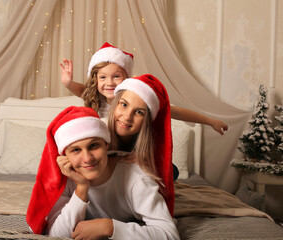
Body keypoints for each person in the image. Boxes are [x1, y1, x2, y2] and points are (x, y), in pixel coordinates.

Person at [26, 106, 180, 240]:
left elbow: (169, 234)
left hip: (144, 174)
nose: (87, 158)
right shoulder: (65, 179)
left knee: (166, 176)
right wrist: (81, 188)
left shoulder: (136, 178)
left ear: (106, 145)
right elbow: (56, 235)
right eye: (76, 150)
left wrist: (110, 227)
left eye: (94, 145)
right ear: (64, 157)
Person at [60, 42, 228, 134]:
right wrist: (68, 83)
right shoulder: (96, 99)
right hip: (108, 155)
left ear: (127, 78)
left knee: (168, 171)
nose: (109, 83)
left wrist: (209, 121)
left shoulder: (135, 98)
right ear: (95, 81)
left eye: (116, 76)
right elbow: (83, 91)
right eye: (103, 77)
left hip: (134, 153)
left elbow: (173, 111)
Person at [108, 73, 175, 217]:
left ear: (148, 120)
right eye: (124, 104)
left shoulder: (151, 143)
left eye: (139, 112)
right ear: (115, 103)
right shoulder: (97, 133)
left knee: (171, 170)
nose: (127, 117)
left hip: (150, 168)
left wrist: (210, 121)